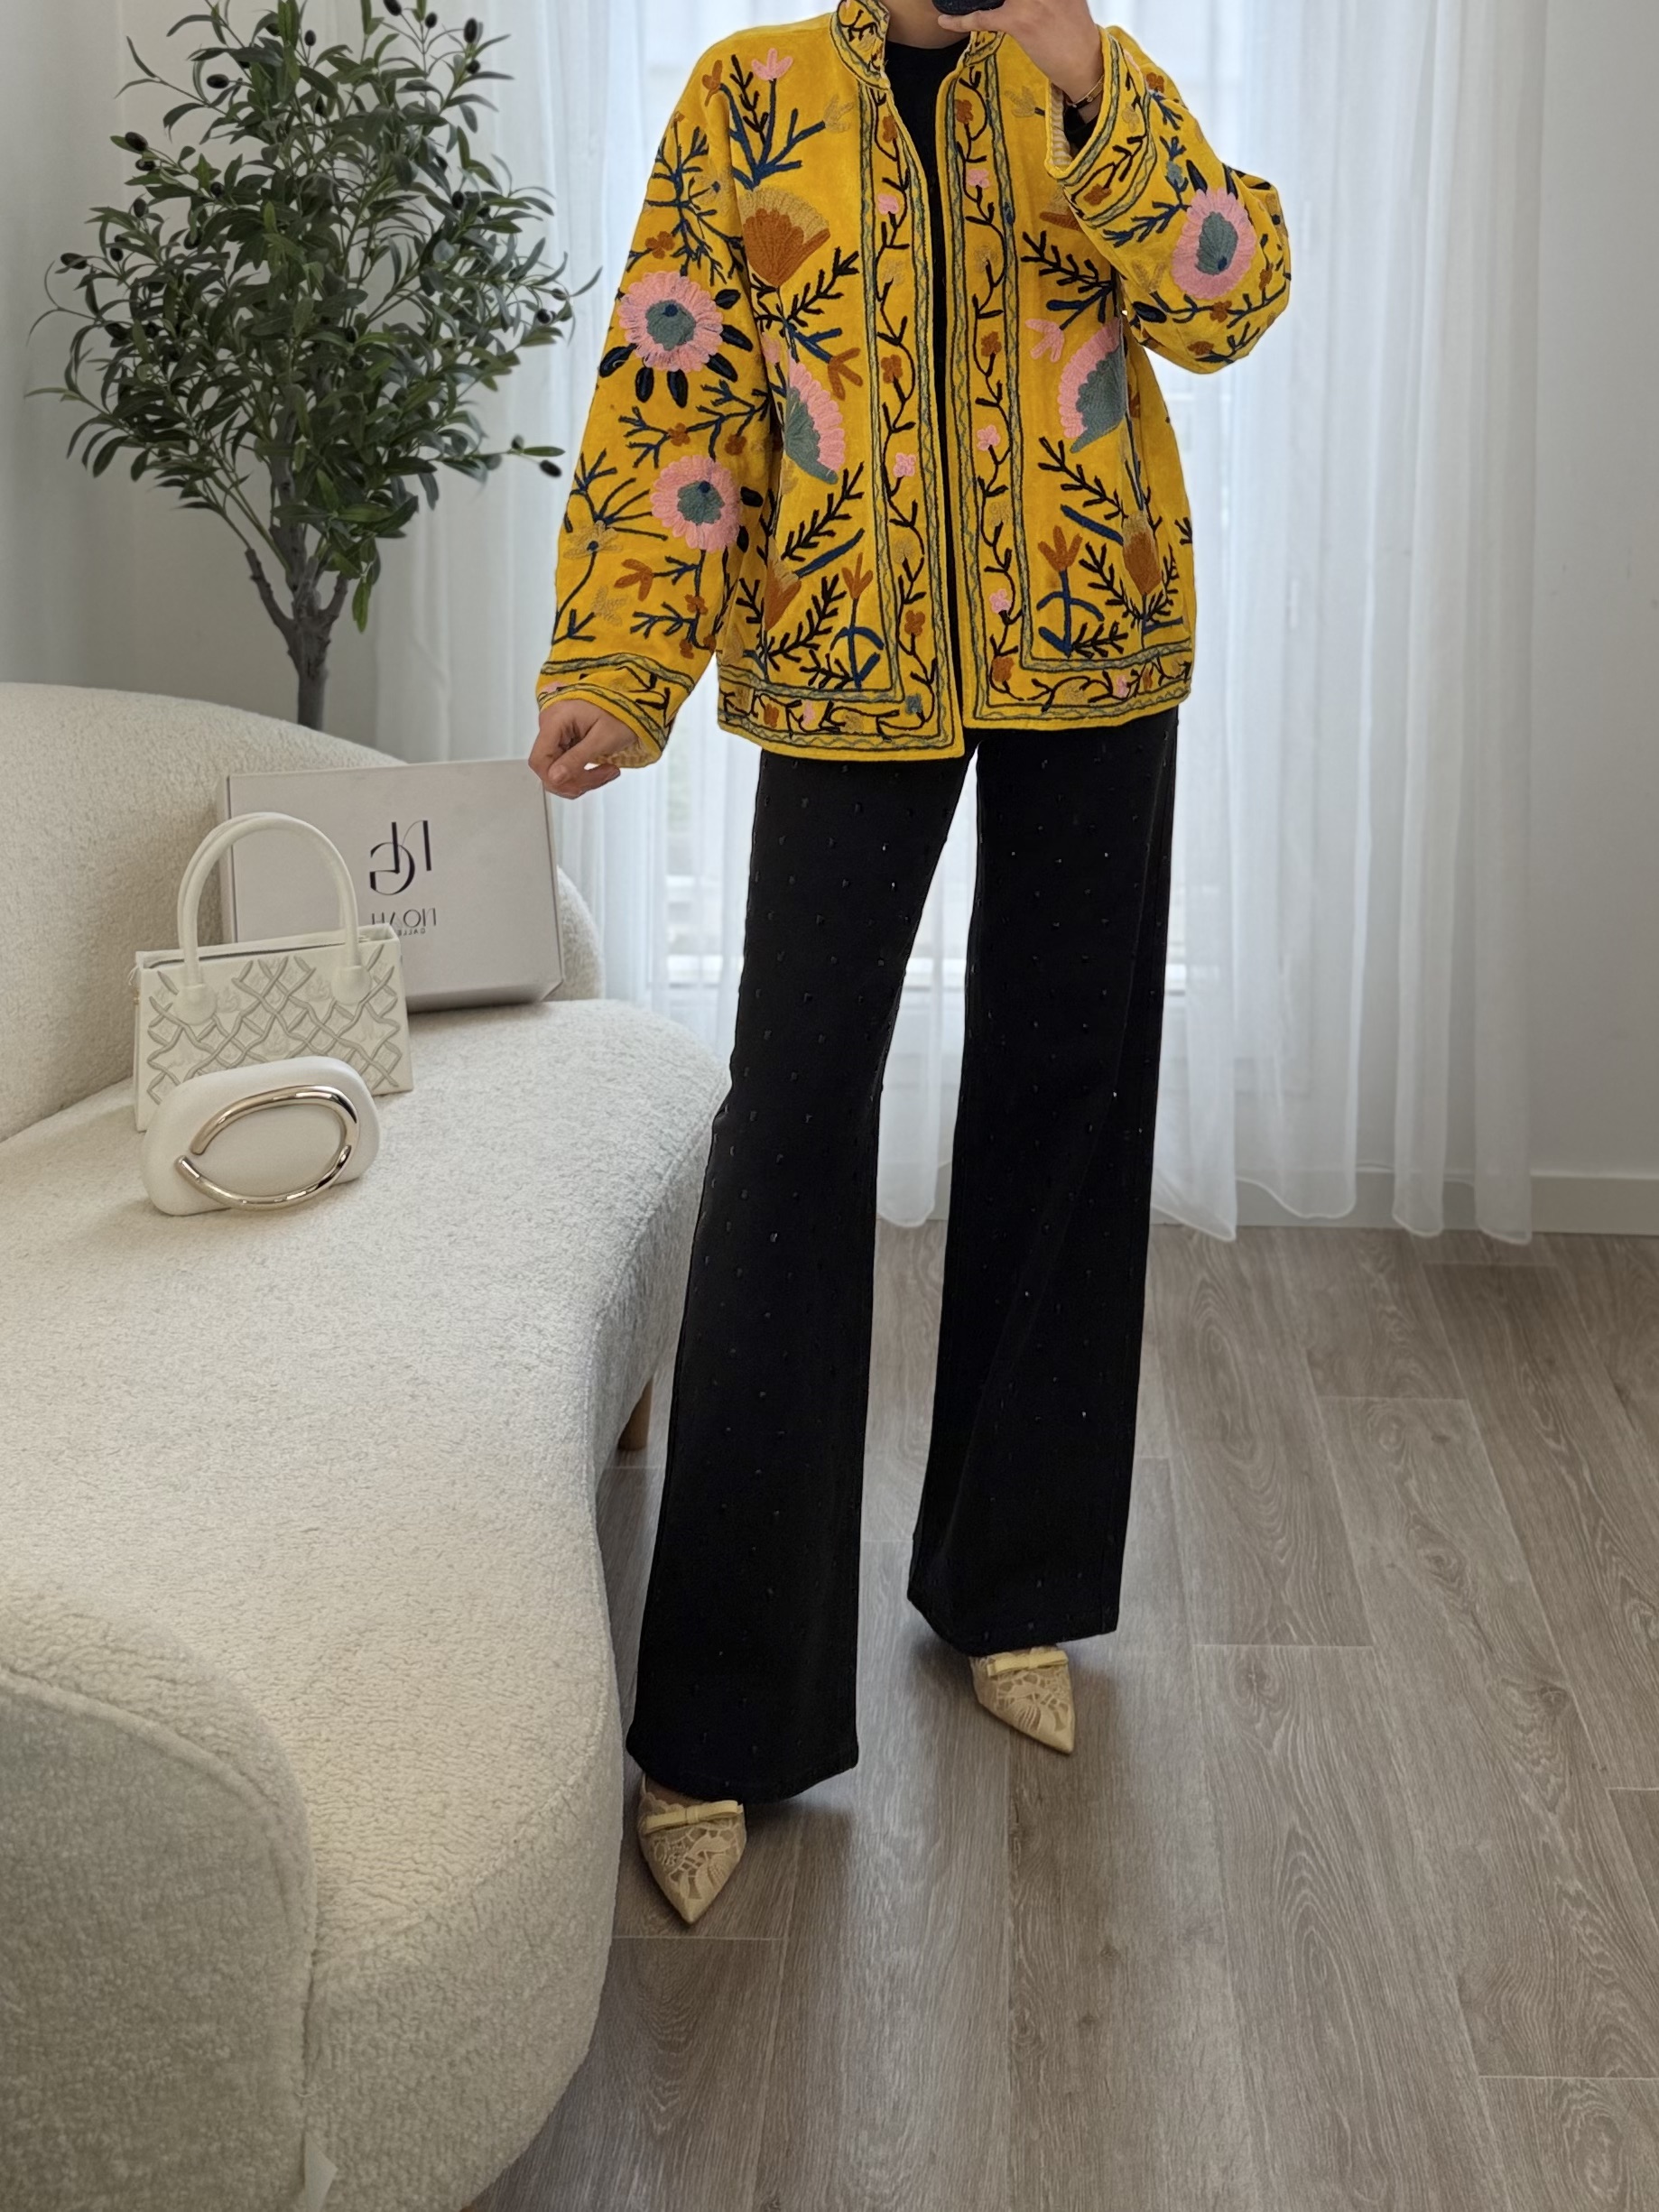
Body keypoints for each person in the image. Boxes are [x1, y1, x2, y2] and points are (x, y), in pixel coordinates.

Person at [530, 0, 1290, 1924]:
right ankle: (719, 1716)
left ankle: (1011, 1584)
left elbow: (1227, 297)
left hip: (1093, 654)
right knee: (789, 1127)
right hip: (839, 665)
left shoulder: (1088, 78)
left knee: (1065, 1091)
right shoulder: (753, 93)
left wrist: (1090, 91)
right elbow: (672, 390)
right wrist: (621, 662)